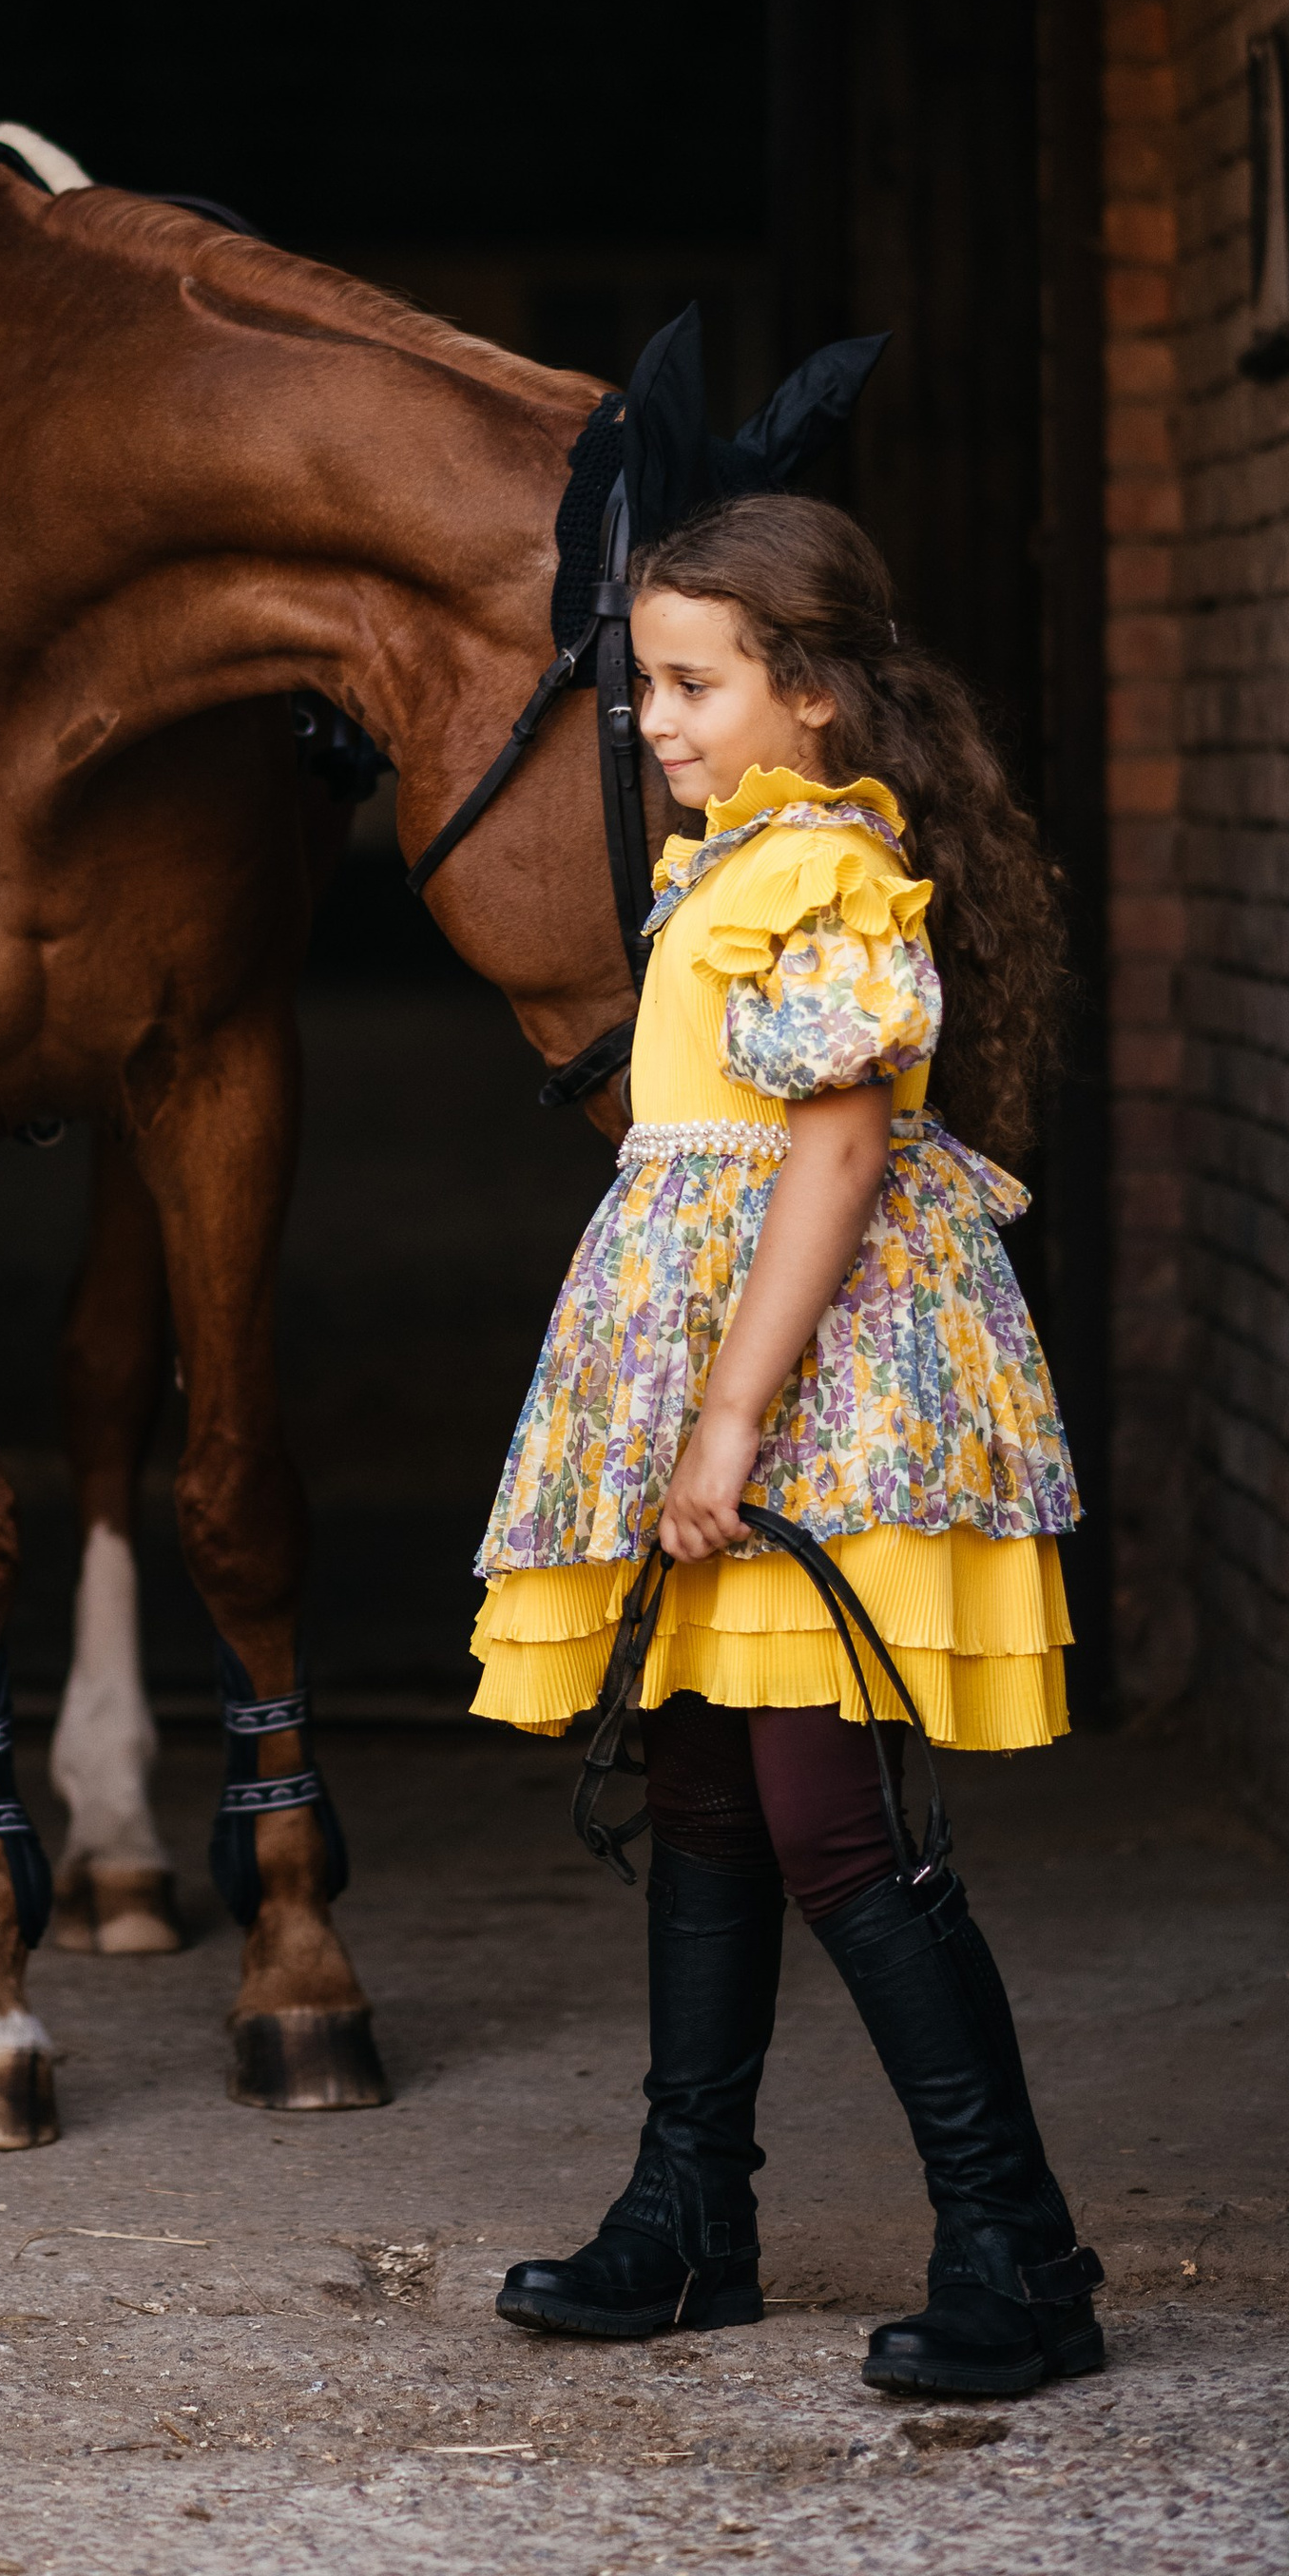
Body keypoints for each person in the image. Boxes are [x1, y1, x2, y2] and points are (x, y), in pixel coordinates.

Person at [471, 492, 1102, 2401]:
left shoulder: (816, 866)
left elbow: (831, 1150)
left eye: (688, 684)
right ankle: (687, 2223)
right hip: (723, 1390)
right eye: (639, 682)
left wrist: (724, 1421)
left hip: (812, 1407)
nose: (648, 719)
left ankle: (1018, 2251)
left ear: (808, 695)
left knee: (826, 1819)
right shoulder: (728, 860)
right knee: (698, 1795)